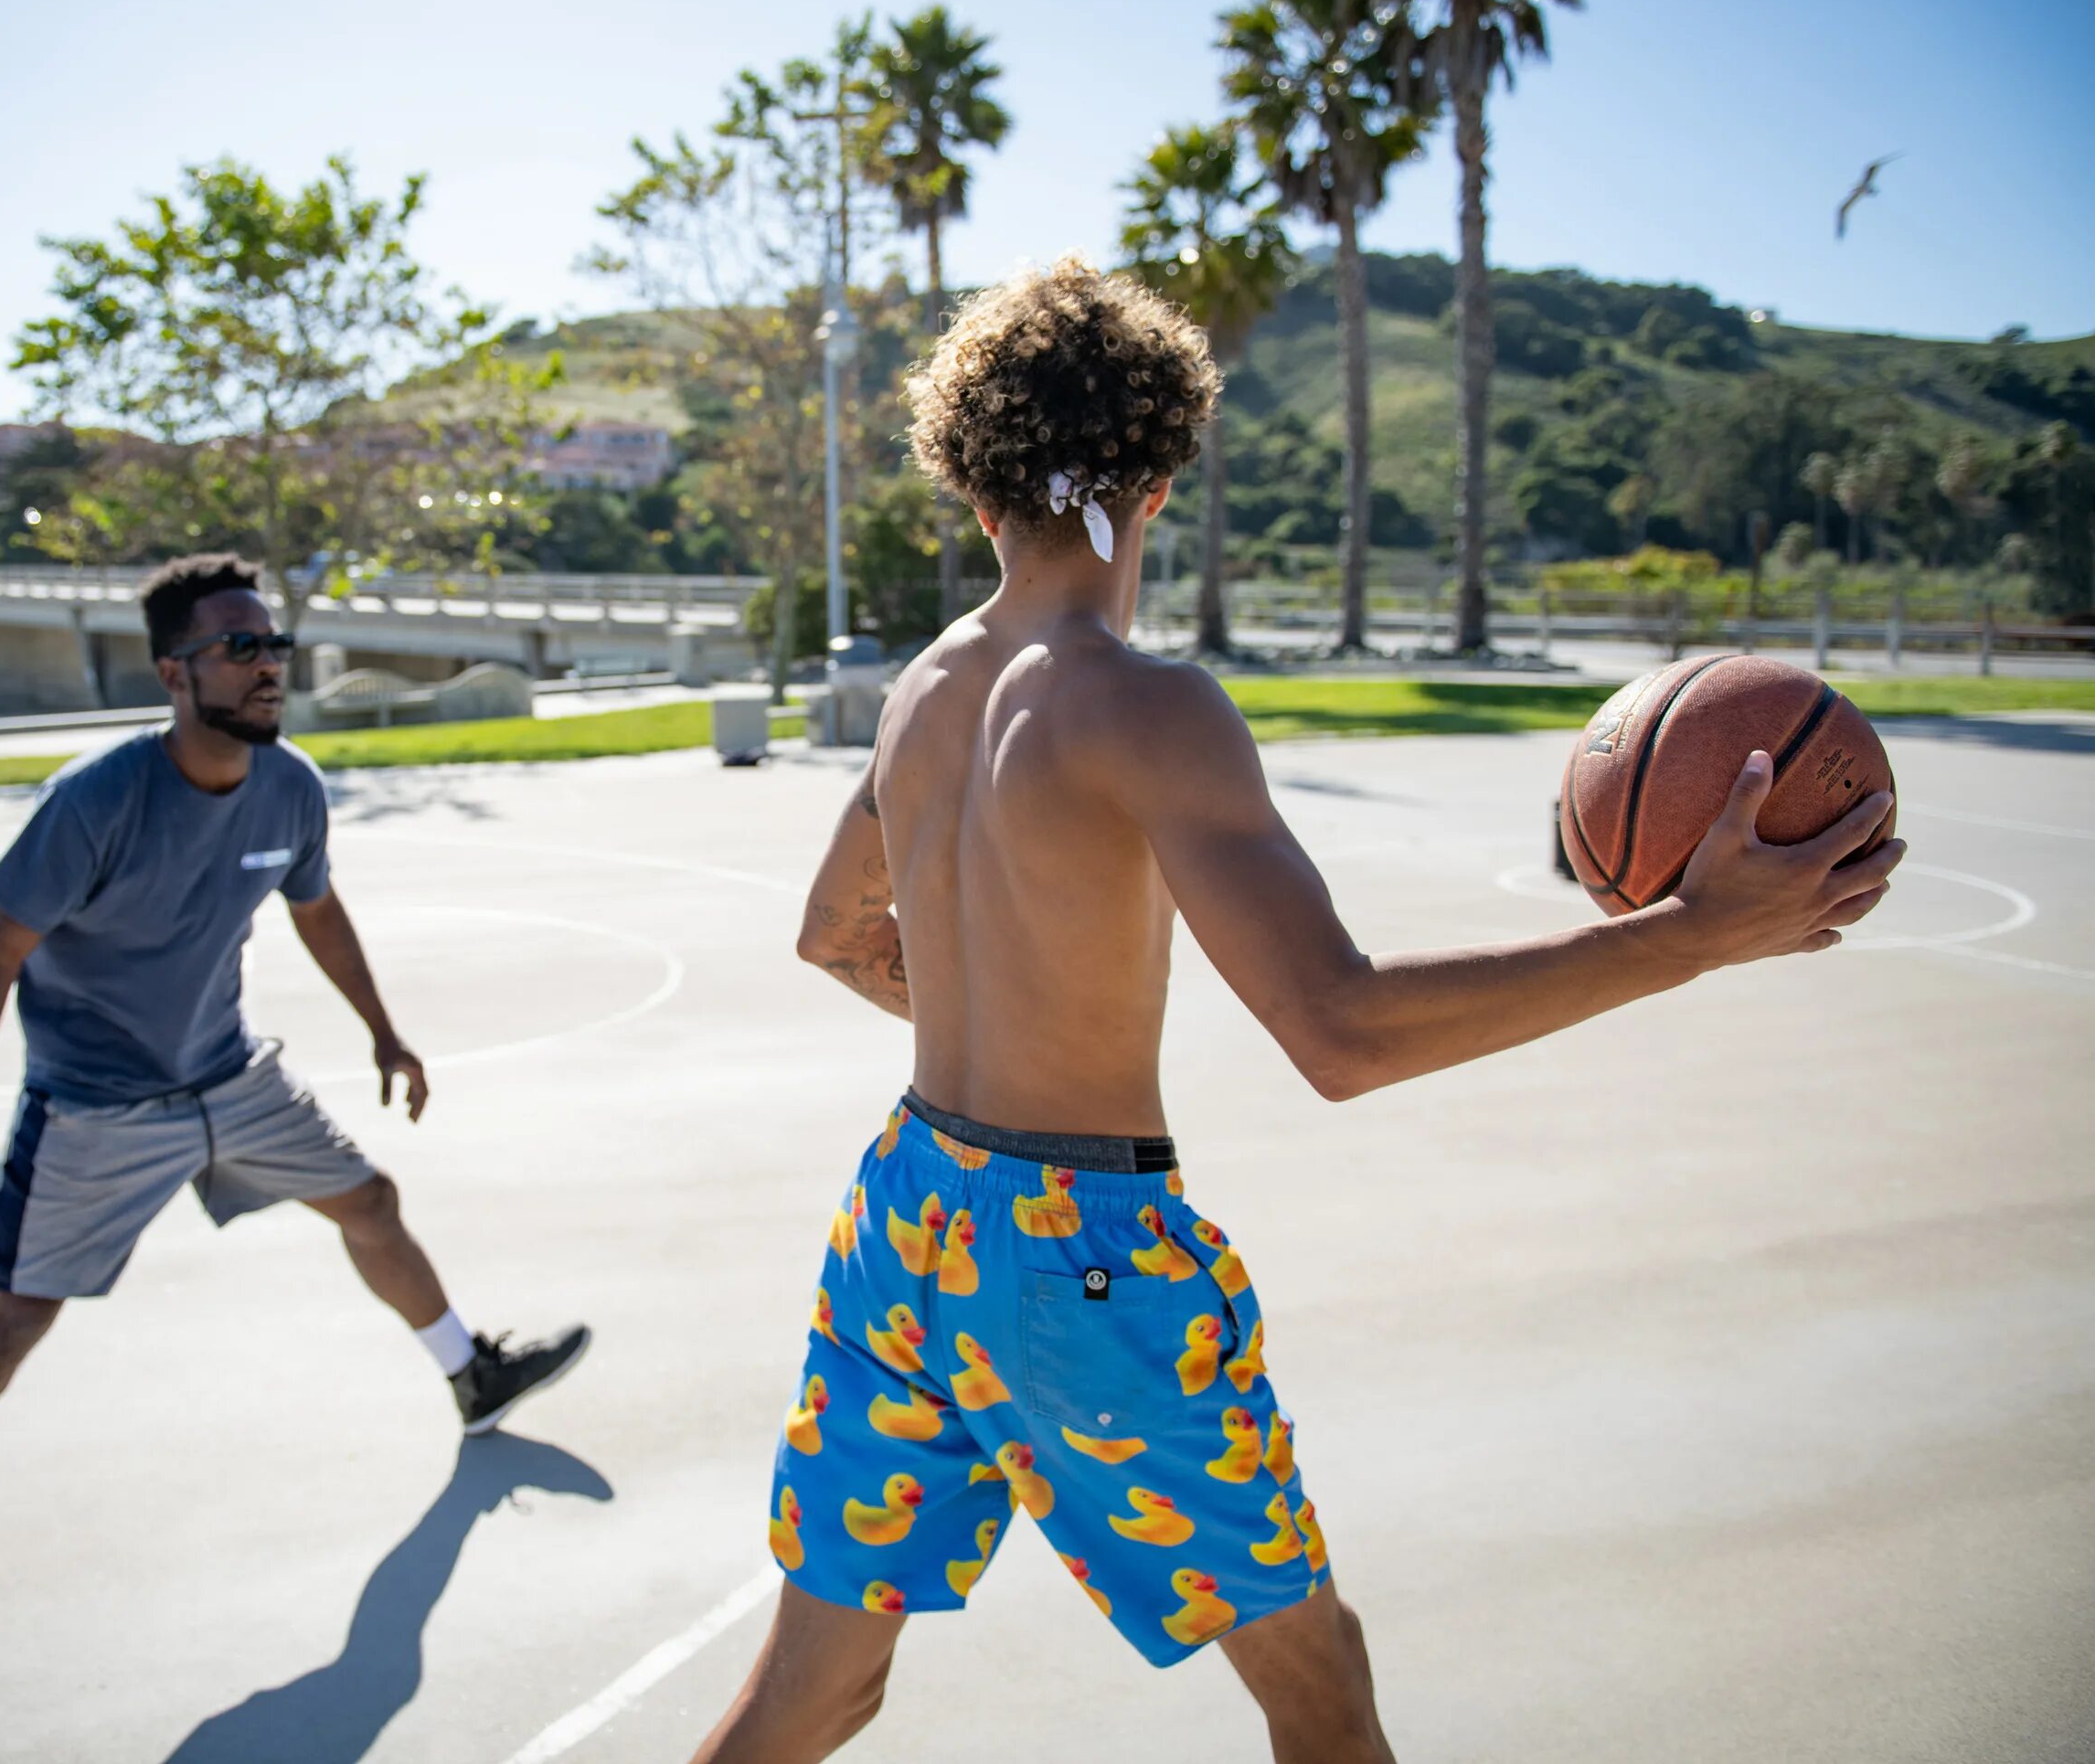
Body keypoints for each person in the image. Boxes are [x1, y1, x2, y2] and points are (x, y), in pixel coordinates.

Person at [691, 257, 1905, 1763]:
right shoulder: (1143, 706)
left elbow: (830, 935)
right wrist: (1690, 937)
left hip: (908, 1213)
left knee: (818, 1688)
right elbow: (1342, 1034)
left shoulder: (923, 688)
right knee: (1316, 1680)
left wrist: (996, 1009)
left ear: (968, 474)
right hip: (1079, 1266)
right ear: (1162, 468)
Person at [0, 552, 589, 1648]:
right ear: (174, 674)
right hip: (97, 1102)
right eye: (240, 646)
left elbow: (316, 911)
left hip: (229, 1070)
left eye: (272, 643)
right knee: (13, 1323)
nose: (268, 663)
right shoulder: (96, 802)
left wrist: (383, 1027)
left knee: (369, 1199)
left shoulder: (290, 784)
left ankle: (472, 1372)